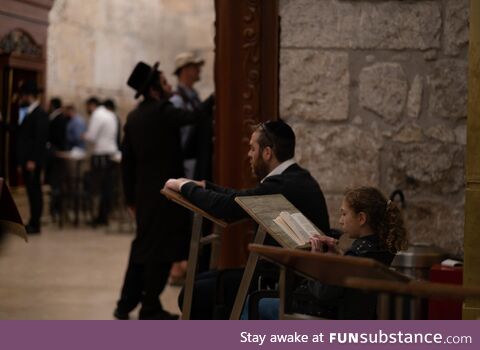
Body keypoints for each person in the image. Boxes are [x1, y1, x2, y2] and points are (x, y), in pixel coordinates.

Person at [165, 120, 331, 319]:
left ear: (267, 152)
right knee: (199, 283)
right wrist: (204, 186)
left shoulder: (282, 185)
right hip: (284, 273)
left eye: (252, 148)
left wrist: (184, 186)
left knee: (194, 293)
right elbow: (242, 198)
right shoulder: (294, 177)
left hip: (286, 281)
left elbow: (227, 207)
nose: (249, 154)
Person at [114, 61, 213, 320]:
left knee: (143, 248)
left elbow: (127, 163)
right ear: (154, 89)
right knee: (160, 251)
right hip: (165, 195)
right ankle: (149, 306)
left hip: (144, 196)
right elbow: (195, 116)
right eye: (164, 81)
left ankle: (125, 304)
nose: (169, 85)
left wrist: (130, 199)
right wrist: (216, 96)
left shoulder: (134, 117)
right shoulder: (163, 110)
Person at [251, 186, 409, 320]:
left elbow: (322, 293)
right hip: (353, 316)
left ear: (361, 218)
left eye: (344, 214)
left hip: (326, 315)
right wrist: (339, 257)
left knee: (257, 300)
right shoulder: (379, 248)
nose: (341, 220)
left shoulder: (357, 254)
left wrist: (316, 260)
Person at [169, 52, 211, 286]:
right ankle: (177, 267)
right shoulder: (177, 100)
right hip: (184, 164)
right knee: (181, 217)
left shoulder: (193, 96)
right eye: (195, 67)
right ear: (185, 69)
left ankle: (186, 263)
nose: (198, 71)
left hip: (195, 163)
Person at [15, 80, 49, 234]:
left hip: (32, 161)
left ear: (30, 96)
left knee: (35, 192)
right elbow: (22, 133)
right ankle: (33, 221)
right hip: (28, 159)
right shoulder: (30, 112)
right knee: (31, 191)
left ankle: (36, 223)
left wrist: (33, 160)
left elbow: (39, 139)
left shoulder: (40, 113)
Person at [83, 97, 118, 226]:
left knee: (97, 188)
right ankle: (104, 216)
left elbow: (91, 136)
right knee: (107, 187)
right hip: (111, 154)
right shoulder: (110, 114)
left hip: (100, 155)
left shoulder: (97, 115)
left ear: (92, 105)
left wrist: (84, 135)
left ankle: (99, 217)